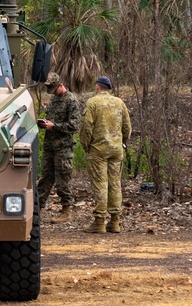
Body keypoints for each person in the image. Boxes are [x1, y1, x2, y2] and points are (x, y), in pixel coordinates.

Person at [79, 75, 132, 234]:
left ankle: (100, 222)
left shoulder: (93, 103)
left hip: (98, 150)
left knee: (100, 184)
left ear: (97, 87)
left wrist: (86, 145)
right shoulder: (119, 103)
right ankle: (115, 222)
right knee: (115, 183)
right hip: (116, 149)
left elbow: (86, 128)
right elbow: (127, 127)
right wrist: (122, 142)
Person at [36, 72, 81, 224]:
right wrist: (44, 123)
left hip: (63, 147)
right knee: (45, 178)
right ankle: (37, 209)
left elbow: (74, 126)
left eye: (54, 90)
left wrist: (54, 126)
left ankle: (66, 210)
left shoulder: (71, 101)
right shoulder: (54, 99)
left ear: (61, 85)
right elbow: (51, 119)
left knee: (63, 180)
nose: (53, 93)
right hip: (50, 146)